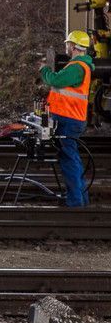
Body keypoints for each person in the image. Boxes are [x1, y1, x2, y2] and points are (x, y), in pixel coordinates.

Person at [40, 30, 93, 207]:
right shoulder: (77, 65)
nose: (67, 47)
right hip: (70, 118)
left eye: (68, 44)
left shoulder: (77, 67)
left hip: (69, 120)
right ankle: (81, 200)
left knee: (69, 160)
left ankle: (75, 203)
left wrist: (44, 70)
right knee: (73, 158)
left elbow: (55, 81)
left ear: (74, 46)